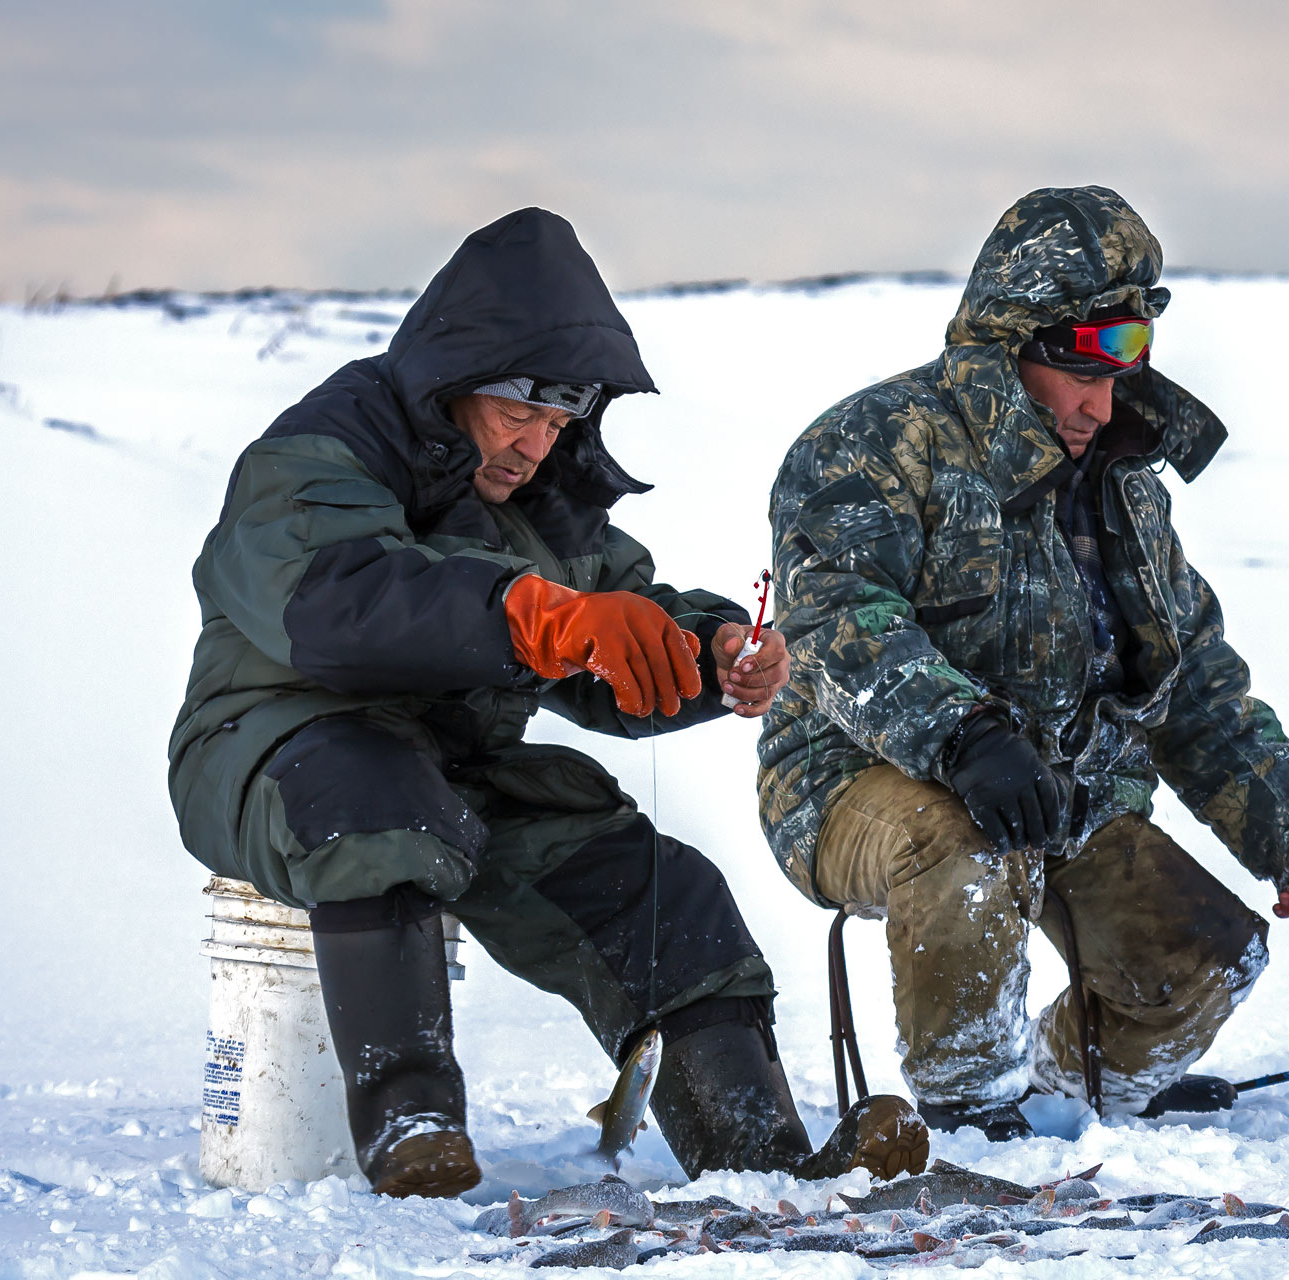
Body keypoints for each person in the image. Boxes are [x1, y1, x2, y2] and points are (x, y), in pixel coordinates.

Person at [169, 208, 926, 1196]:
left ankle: (760, 1158)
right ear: (455, 381)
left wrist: (713, 652)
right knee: (380, 793)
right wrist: (534, 613)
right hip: (271, 746)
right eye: (516, 416)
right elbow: (338, 602)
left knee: (667, 888)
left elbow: (621, 615)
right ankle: (412, 1124)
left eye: (560, 423)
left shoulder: (537, 497)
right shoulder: (323, 447)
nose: (536, 445)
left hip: (451, 772)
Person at [757, 187, 1289, 1140]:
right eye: (1077, 371)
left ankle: (1058, 1100)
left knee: (1206, 960)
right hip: (854, 781)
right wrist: (965, 734)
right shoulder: (872, 446)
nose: (1097, 403)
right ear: (1010, 351)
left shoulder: (1125, 487)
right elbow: (836, 622)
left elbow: (1192, 679)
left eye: (1119, 371)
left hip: (1062, 789)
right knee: (962, 839)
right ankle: (967, 1123)